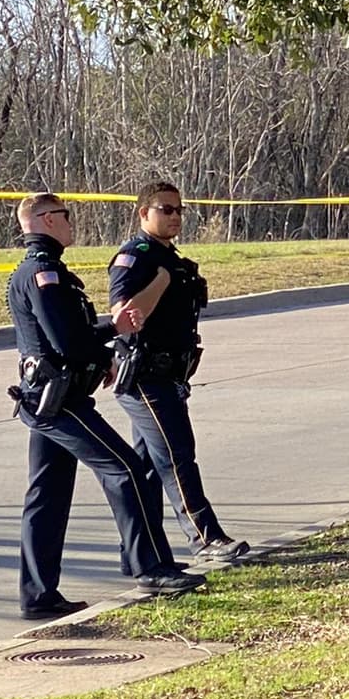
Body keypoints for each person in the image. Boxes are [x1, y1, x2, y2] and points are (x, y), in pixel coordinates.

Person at [7, 193, 206, 620]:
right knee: (127, 469)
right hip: (60, 402)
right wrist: (107, 348)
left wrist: (107, 331)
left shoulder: (44, 270)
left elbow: (68, 333)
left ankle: (39, 596)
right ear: (45, 220)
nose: (70, 222)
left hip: (50, 401)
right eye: (65, 215)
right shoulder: (44, 273)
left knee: (48, 495)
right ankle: (151, 567)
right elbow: (67, 342)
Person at [108, 182, 249, 564]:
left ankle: (140, 554)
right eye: (165, 209)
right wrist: (160, 282)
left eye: (178, 210)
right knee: (176, 456)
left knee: (151, 470)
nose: (174, 216)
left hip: (170, 376)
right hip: (145, 377)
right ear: (143, 213)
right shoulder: (135, 257)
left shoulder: (173, 258)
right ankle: (205, 538)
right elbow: (122, 316)